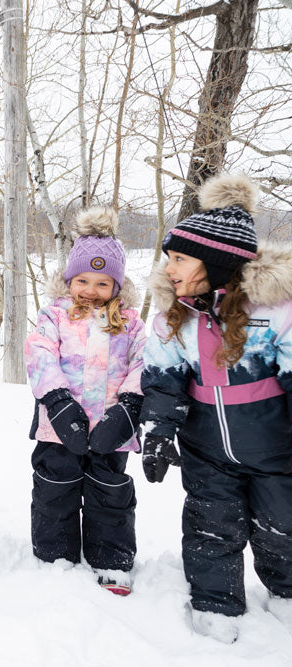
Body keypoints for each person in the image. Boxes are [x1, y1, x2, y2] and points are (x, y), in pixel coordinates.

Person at [141, 173, 292, 643]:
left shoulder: (277, 308)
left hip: (274, 448)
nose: (169, 268)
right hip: (205, 447)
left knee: (283, 527)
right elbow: (163, 375)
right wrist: (160, 430)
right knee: (210, 527)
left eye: (180, 258)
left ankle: (286, 593)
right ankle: (217, 604)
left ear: (216, 260)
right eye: (168, 258)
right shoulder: (177, 313)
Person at [24, 207, 145, 595]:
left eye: (102, 283)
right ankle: (55, 557)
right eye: (82, 280)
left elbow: (146, 364)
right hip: (58, 429)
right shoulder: (54, 316)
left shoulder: (131, 324)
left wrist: (129, 407)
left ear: (117, 286)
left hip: (111, 431)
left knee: (109, 496)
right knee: (53, 491)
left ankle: (111, 561)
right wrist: (58, 401)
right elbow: (38, 353)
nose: (90, 291)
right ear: (69, 280)